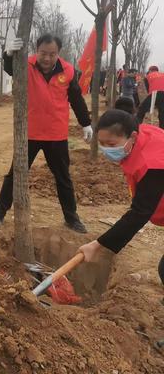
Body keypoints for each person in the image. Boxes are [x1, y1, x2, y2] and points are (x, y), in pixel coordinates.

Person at [0, 34, 92, 233]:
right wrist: (9, 54)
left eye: (52, 54)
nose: (47, 58)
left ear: (58, 53)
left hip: (57, 134)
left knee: (63, 177)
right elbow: (10, 69)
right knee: (15, 174)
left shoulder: (68, 71)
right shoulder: (25, 65)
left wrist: (85, 123)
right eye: (43, 53)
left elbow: (76, 99)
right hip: (30, 133)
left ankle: (72, 218)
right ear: (37, 50)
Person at [79, 109, 164, 292]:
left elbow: (140, 213)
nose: (106, 150)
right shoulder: (141, 136)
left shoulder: (152, 163)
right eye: (101, 144)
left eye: (111, 144)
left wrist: (98, 244)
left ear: (132, 136)